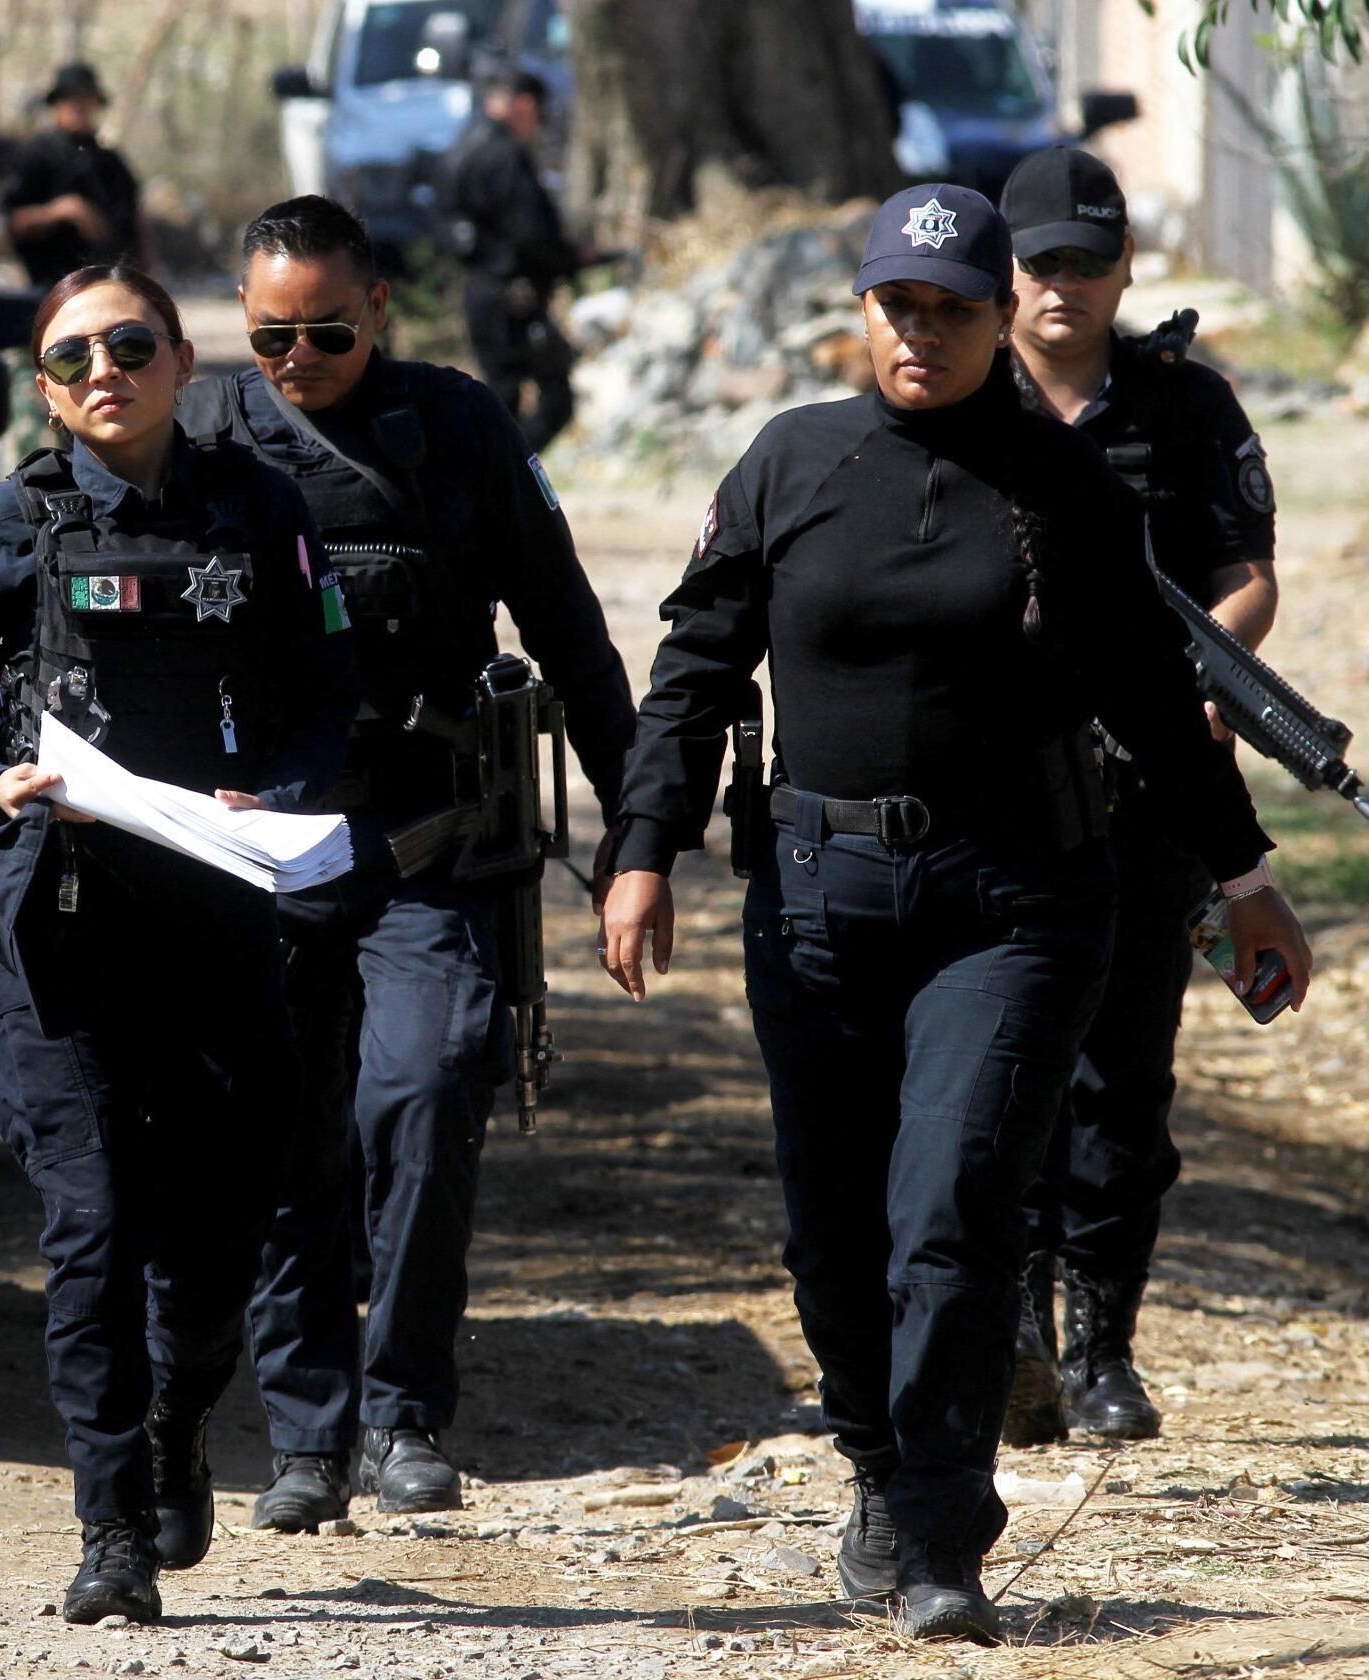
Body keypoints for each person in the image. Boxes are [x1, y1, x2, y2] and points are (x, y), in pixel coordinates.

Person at [598, 184, 1313, 1643]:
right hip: (817, 897)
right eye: (896, 308)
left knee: (954, 1210)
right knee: (832, 1233)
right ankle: (878, 1462)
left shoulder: (1064, 486)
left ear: (1000, 320)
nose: (920, 335)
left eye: (951, 311)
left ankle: (941, 1528)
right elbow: (696, 669)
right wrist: (642, 845)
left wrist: (1244, 878)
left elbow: (1153, 712)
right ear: (862, 313)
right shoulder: (790, 459)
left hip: (1016, 903)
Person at [0, 264, 358, 1624]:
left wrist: (273, 795)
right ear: (45, 392)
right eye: (73, 355)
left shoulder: (261, 511)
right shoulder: (7, 526)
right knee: (93, 1230)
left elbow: (331, 700)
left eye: (132, 343)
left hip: (218, 917)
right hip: (59, 927)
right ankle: (109, 1535)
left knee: (219, 1234)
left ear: (177, 358)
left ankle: (175, 1422)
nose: (106, 368)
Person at [176, 195, 634, 1527]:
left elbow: (572, 633)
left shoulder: (457, 428)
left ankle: (404, 1410)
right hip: (261, 847)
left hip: (432, 839)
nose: (296, 361)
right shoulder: (207, 436)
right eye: (270, 336)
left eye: (325, 331)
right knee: (283, 1135)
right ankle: (308, 1436)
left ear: (381, 308)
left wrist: (636, 841)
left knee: (426, 1096)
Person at [995, 146, 1281, 1448]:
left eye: (1088, 264)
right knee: (1008, 1066)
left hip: (1152, 785)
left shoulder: (1184, 406)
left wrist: (1208, 680)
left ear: (1124, 271)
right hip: (995, 786)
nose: (1065, 287)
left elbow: (1245, 573)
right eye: (1042, 261)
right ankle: (1017, 1331)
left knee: (1126, 1074)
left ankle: (1104, 1343)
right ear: (1008, 268)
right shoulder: (959, 387)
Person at [437, 65, 582, 451]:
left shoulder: (463, 146)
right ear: (523, 105)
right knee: (553, 398)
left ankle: (501, 483)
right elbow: (531, 232)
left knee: (502, 399)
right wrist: (571, 259)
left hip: (481, 292)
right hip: (512, 297)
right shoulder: (502, 154)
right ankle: (508, 478)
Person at [2, 62, 146, 289]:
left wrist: (148, 280)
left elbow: (136, 222)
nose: (79, 106)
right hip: (52, 286)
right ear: (57, 105)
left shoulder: (111, 162)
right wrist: (64, 210)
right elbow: (14, 221)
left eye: (85, 98)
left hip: (108, 285)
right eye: (71, 99)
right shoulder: (37, 154)